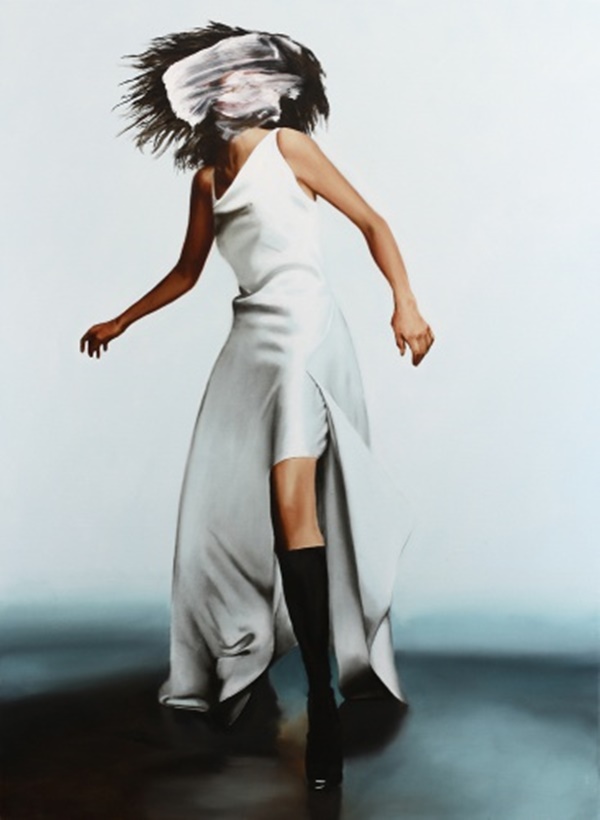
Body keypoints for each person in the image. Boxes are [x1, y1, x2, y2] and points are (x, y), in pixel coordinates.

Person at [80, 22, 434, 791]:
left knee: (292, 507)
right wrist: (122, 319)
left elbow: (372, 222)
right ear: (205, 96)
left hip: (306, 331)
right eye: (221, 79)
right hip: (250, 344)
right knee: (240, 512)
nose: (233, 87)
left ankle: (324, 702)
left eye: (246, 76)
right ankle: (272, 657)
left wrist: (405, 303)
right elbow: (187, 272)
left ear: (272, 89)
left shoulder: (291, 149)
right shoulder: (207, 179)